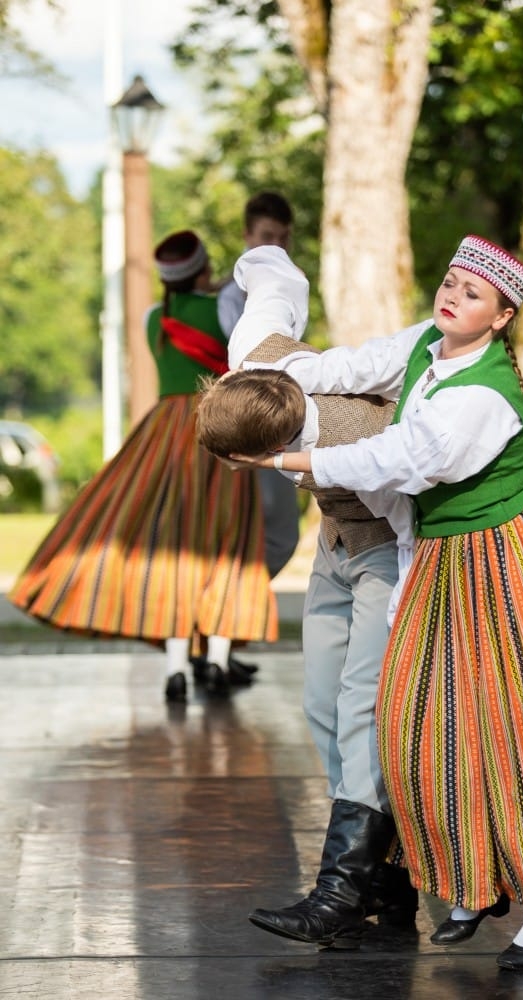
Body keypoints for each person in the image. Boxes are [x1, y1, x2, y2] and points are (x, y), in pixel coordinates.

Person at [226, 235, 523, 971]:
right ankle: (469, 881)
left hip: (507, 562)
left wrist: (288, 456)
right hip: (443, 562)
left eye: (472, 293)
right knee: (421, 729)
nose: (452, 295)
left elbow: (401, 458)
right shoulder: (430, 342)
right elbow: (351, 365)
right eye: (450, 281)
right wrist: (270, 372)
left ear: (501, 317)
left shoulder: (482, 397)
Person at [199, 246, 419, 947]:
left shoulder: (372, 439)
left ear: (268, 456)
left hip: (389, 542)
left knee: (363, 705)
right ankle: (387, 872)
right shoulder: (257, 364)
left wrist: (404, 604)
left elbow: (420, 516)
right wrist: (248, 260)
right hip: (335, 544)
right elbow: (275, 275)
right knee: (321, 703)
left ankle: (342, 889)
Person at [9, 230, 277, 703]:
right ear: (201, 269)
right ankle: (215, 659)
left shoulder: (154, 316)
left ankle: (176, 669)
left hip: (164, 434)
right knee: (228, 543)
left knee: (175, 547)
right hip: (219, 427)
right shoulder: (223, 307)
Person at [216, 192, 300, 581]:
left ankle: (230, 612)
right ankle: (224, 617)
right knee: (239, 528)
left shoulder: (293, 288)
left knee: (282, 533)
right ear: (247, 235)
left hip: (275, 420)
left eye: (283, 238)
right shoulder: (232, 296)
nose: (277, 246)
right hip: (242, 419)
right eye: (268, 236)